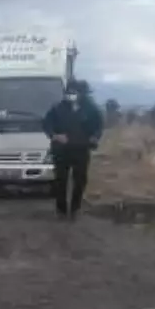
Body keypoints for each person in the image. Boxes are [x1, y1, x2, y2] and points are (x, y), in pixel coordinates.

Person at [42, 80, 104, 218]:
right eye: (69, 92)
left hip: (81, 149)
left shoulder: (91, 109)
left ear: (82, 93)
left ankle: (75, 208)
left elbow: (99, 126)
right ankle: (61, 209)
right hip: (61, 150)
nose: (71, 95)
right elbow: (46, 124)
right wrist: (55, 136)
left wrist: (94, 137)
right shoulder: (57, 108)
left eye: (74, 92)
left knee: (80, 179)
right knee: (60, 180)